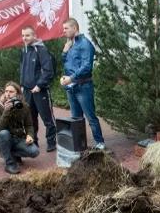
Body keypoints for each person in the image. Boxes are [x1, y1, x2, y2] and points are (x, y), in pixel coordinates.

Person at [60, 18, 105, 150]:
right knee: (76, 119)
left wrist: (71, 78)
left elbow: (86, 66)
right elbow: (67, 63)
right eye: (63, 29)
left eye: (66, 28)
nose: (64, 31)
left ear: (75, 28)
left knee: (90, 117)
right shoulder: (70, 44)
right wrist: (64, 51)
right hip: (71, 87)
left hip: (83, 86)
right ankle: (80, 145)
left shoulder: (85, 43)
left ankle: (100, 143)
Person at [20, 25, 56, 152]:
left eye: (27, 35)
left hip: (40, 91)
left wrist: (39, 85)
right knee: (30, 119)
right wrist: (22, 84)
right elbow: (22, 69)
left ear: (34, 36)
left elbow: (48, 71)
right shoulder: (24, 50)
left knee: (47, 118)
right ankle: (34, 142)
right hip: (27, 91)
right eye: (23, 35)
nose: (25, 38)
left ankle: (51, 142)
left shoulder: (41, 50)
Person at [0, 81, 39, 175]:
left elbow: (29, 125)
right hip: (3, 138)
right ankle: (9, 163)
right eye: (6, 91)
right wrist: (6, 111)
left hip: (18, 138)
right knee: (4, 133)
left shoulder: (23, 106)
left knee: (34, 151)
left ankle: (13, 154)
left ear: (17, 93)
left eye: (11, 91)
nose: (8, 94)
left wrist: (30, 135)